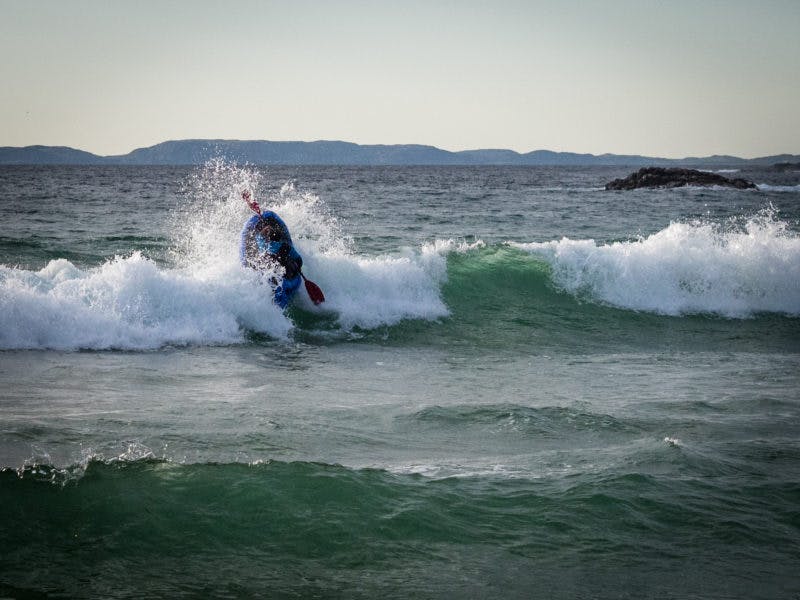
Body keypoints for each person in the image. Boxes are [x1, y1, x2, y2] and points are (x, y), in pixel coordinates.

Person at [240, 208, 304, 309]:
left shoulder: (264, 245)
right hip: (291, 277)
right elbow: (299, 260)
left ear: (266, 238)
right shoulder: (286, 246)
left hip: (277, 281)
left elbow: (259, 237)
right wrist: (298, 267)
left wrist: (262, 224)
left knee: (265, 264)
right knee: (285, 266)